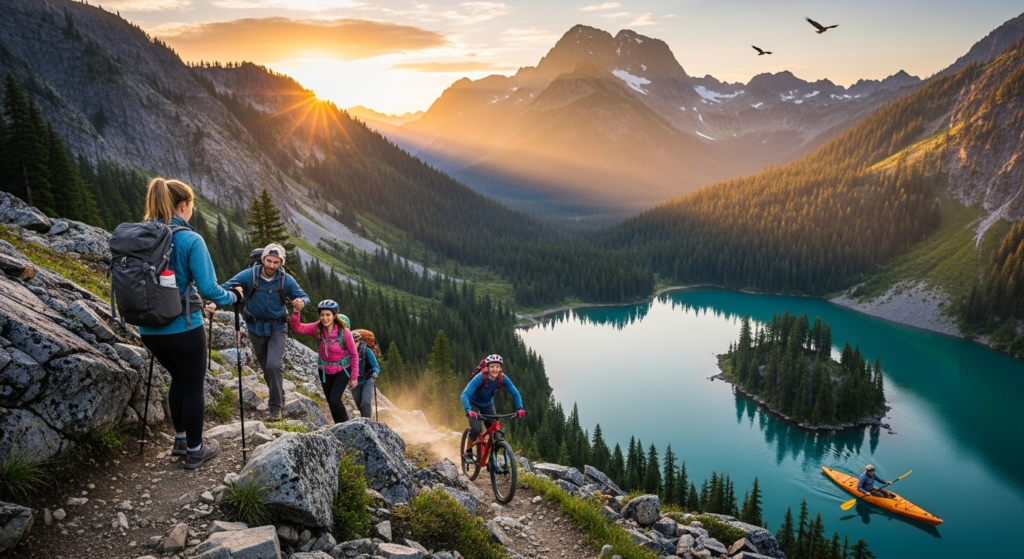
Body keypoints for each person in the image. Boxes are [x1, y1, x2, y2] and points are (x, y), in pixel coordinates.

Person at [137, 178, 242, 470]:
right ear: (184, 205)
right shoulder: (190, 239)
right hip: (183, 327)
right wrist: (232, 296)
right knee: (193, 386)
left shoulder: (142, 236)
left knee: (178, 380)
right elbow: (208, 289)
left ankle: (181, 440)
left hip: (148, 329)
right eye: (192, 206)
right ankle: (196, 450)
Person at [219, 243, 309, 421]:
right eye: (269, 261)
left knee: (274, 364)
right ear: (263, 259)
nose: (271, 266)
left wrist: (301, 302)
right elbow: (224, 286)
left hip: (278, 328)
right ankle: (279, 394)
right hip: (255, 328)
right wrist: (227, 294)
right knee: (266, 368)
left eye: (276, 262)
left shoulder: (286, 280)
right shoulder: (249, 275)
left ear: (281, 263)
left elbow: (304, 296)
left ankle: (275, 409)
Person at [289, 301, 359, 424]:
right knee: (330, 402)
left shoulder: (344, 332)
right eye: (322, 315)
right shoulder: (317, 328)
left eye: (328, 315)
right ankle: (339, 426)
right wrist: (296, 311)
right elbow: (297, 328)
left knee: (335, 400)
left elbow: (354, 355)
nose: (325, 318)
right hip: (324, 371)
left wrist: (354, 377)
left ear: (334, 315)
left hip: (342, 370)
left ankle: (347, 426)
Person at [460, 354, 526, 462]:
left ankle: (492, 457)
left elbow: (515, 393)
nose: (495, 369)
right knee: (476, 429)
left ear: (500, 368)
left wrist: (520, 408)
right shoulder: (480, 377)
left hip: (487, 404)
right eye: (492, 367)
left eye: (497, 367)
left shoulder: (502, 378)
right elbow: (465, 395)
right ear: (487, 368)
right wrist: (469, 410)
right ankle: (468, 452)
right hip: (473, 403)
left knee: (495, 430)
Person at [350, 330, 380, 418]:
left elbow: (375, 366)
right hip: (355, 382)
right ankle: (365, 420)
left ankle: (368, 423)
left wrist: (375, 373)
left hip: (368, 379)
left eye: (353, 342)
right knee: (359, 405)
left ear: (358, 341)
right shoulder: (346, 352)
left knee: (366, 402)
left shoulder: (366, 351)